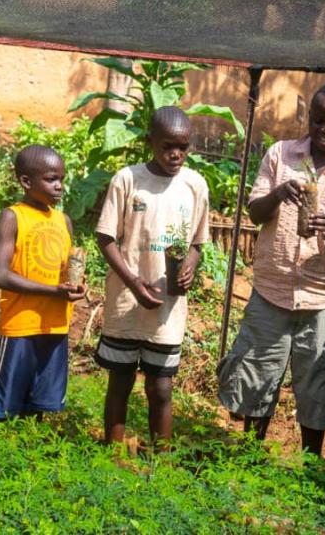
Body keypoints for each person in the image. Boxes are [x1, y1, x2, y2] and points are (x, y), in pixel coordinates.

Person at [217, 83, 325, 456]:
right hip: (271, 291)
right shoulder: (281, 154)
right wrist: (278, 194)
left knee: (316, 385)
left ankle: (311, 466)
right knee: (258, 375)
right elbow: (254, 212)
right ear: (308, 118)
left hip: (323, 297)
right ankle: (250, 459)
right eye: (319, 120)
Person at [94, 106, 210, 445]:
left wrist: (189, 265)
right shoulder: (128, 179)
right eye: (166, 146)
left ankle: (161, 458)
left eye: (183, 147)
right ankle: (112, 451)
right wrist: (133, 282)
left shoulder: (195, 185)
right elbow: (105, 238)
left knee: (161, 386)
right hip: (126, 300)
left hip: (167, 306)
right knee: (120, 381)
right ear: (150, 142)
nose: (175, 154)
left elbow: (198, 243)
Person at [0, 145, 85, 420]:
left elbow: (67, 271)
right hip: (20, 325)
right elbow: (0, 275)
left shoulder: (64, 221)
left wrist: (76, 286)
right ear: (26, 181)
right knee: (2, 410)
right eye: (51, 179)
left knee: (40, 407)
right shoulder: (12, 217)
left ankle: (28, 458)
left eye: (61, 179)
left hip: (55, 324)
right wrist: (53, 291)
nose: (59, 186)